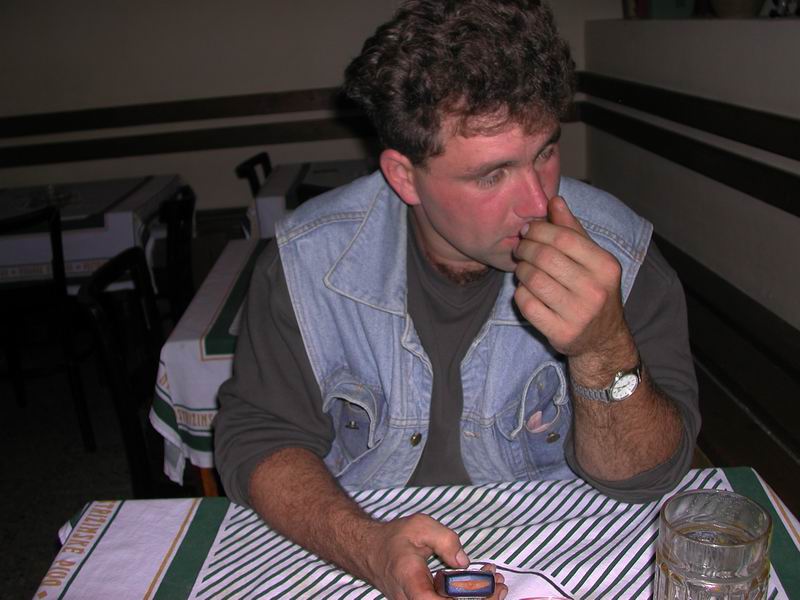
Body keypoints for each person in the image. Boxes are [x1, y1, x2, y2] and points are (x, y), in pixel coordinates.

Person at [215, 1, 700, 598]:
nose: (537, 203)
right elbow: (261, 437)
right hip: (354, 547)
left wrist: (603, 349)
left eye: (545, 153)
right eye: (491, 175)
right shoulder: (305, 262)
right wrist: (369, 548)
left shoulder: (620, 255)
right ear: (404, 176)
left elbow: (649, 477)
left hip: (564, 550)